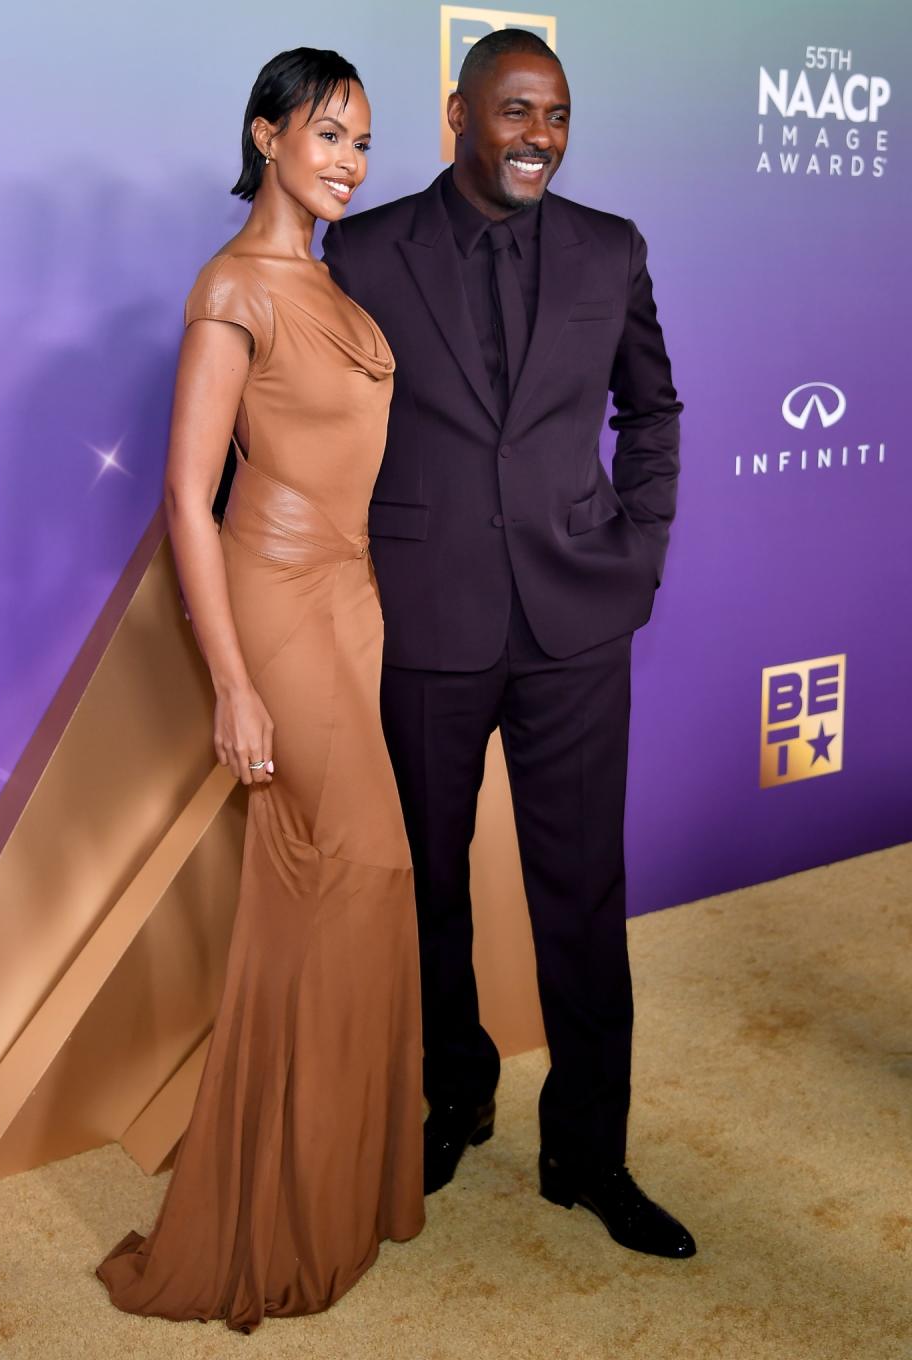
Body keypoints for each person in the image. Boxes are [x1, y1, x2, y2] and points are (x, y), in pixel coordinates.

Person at [323, 29, 695, 1259]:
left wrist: (636, 550)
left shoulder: (611, 247)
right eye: (517, 110)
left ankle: (588, 1150)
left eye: (559, 115)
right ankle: (455, 1090)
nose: (541, 135)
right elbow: (324, 429)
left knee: (584, 895)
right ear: (460, 111)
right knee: (428, 885)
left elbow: (654, 405)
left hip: (577, 618)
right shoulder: (366, 250)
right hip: (426, 616)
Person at [95, 49, 424, 1332]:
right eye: (328, 133)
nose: (348, 159)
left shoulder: (334, 286)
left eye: (362, 141)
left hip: (356, 600)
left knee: (343, 892)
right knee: (348, 871)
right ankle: (274, 1205)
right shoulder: (233, 288)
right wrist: (231, 680)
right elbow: (187, 492)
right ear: (267, 135)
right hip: (277, 599)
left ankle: (335, 1182)